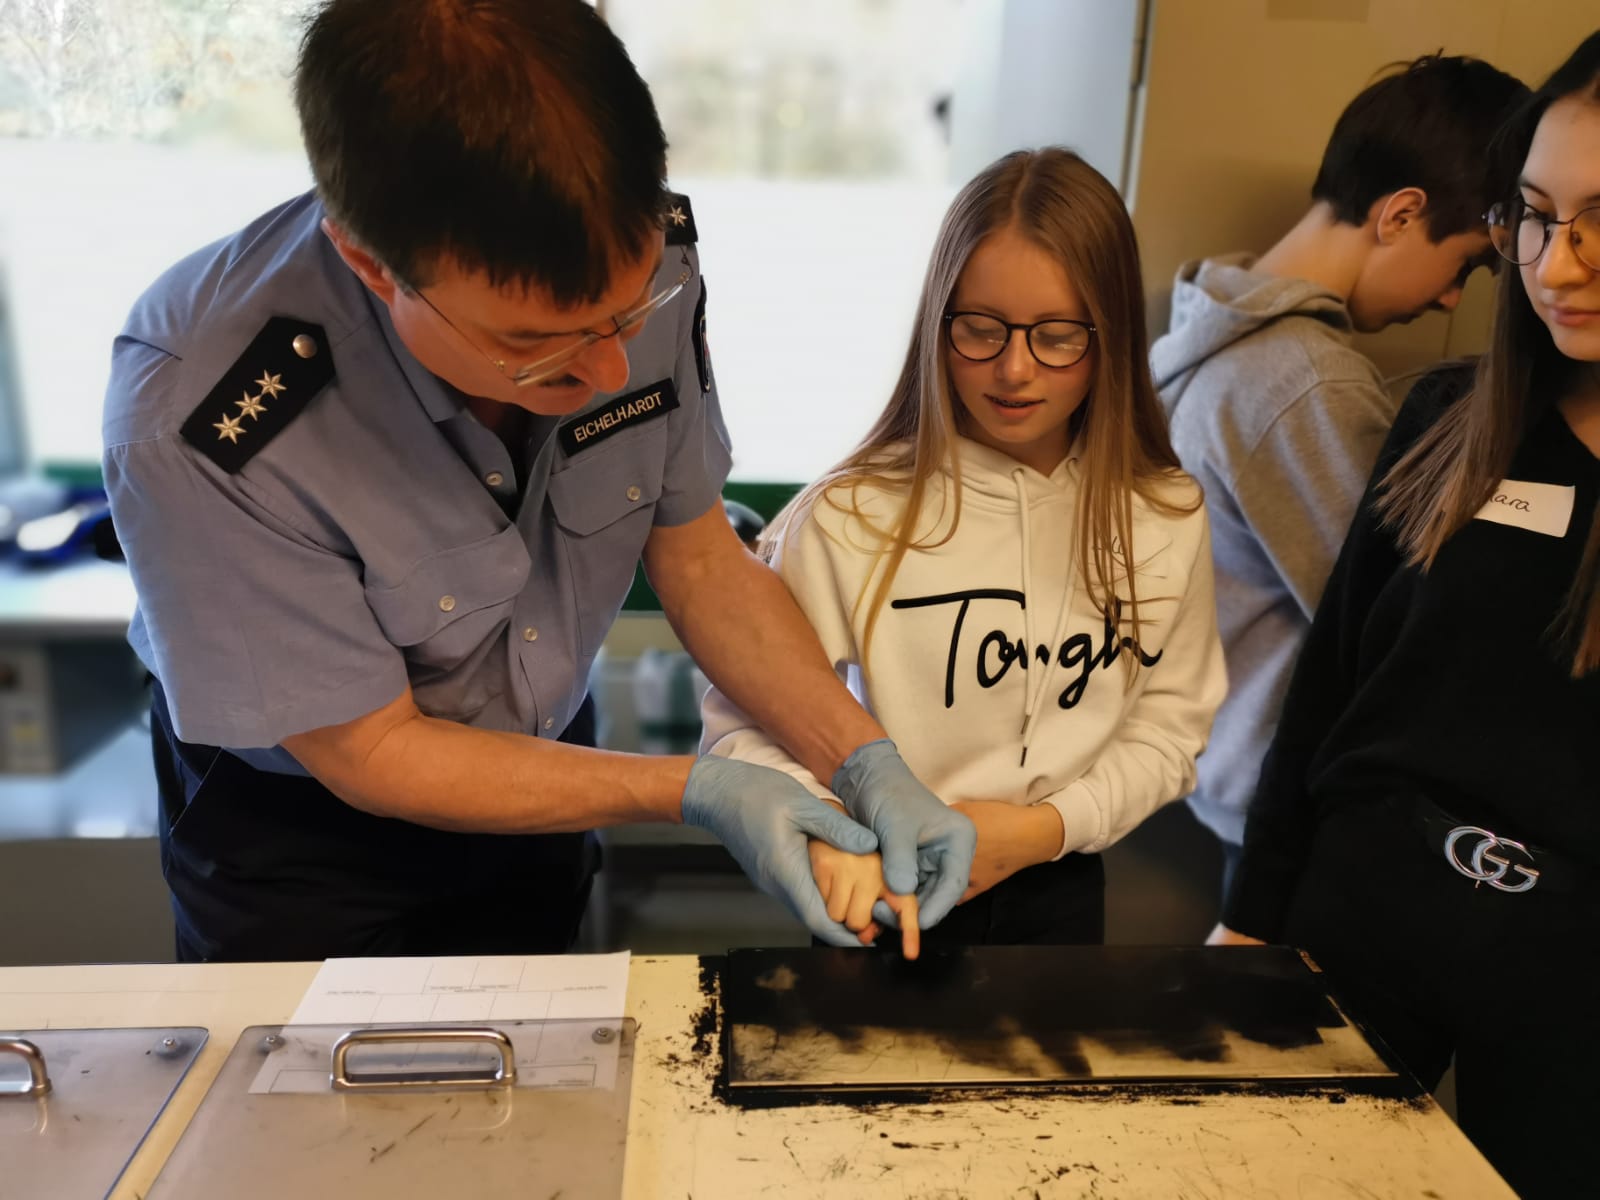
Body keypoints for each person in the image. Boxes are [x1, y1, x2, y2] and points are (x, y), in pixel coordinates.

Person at [101, 0, 975, 963]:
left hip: (543, 760)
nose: (608, 370)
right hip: (306, 836)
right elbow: (374, 751)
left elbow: (697, 556)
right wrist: (690, 788)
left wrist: (865, 760)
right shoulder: (206, 416)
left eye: (627, 312)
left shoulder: (636, 250)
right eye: (535, 346)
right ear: (371, 264)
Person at [1214, 33, 1600, 1198]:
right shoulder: (1447, 417)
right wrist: (1249, 921)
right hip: (1363, 909)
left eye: (1597, 221)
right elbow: (1330, 693)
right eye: (1532, 217)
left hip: (1566, 983)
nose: (1555, 265)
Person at [700, 148, 1226, 954]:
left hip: (1058, 884)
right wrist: (831, 834)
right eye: (979, 330)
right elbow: (744, 718)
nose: (1013, 369)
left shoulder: (1165, 515)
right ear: (937, 322)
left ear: (1110, 336)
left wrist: (1043, 829)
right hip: (885, 889)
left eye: (1056, 337)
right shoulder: (850, 514)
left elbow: (1170, 724)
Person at [1150, 55, 1528, 899]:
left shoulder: (1211, 326)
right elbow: (1390, 623)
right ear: (1400, 214)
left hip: (1232, 772)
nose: (1446, 302)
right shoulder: (1304, 382)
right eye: (1465, 265)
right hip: (1293, 807)